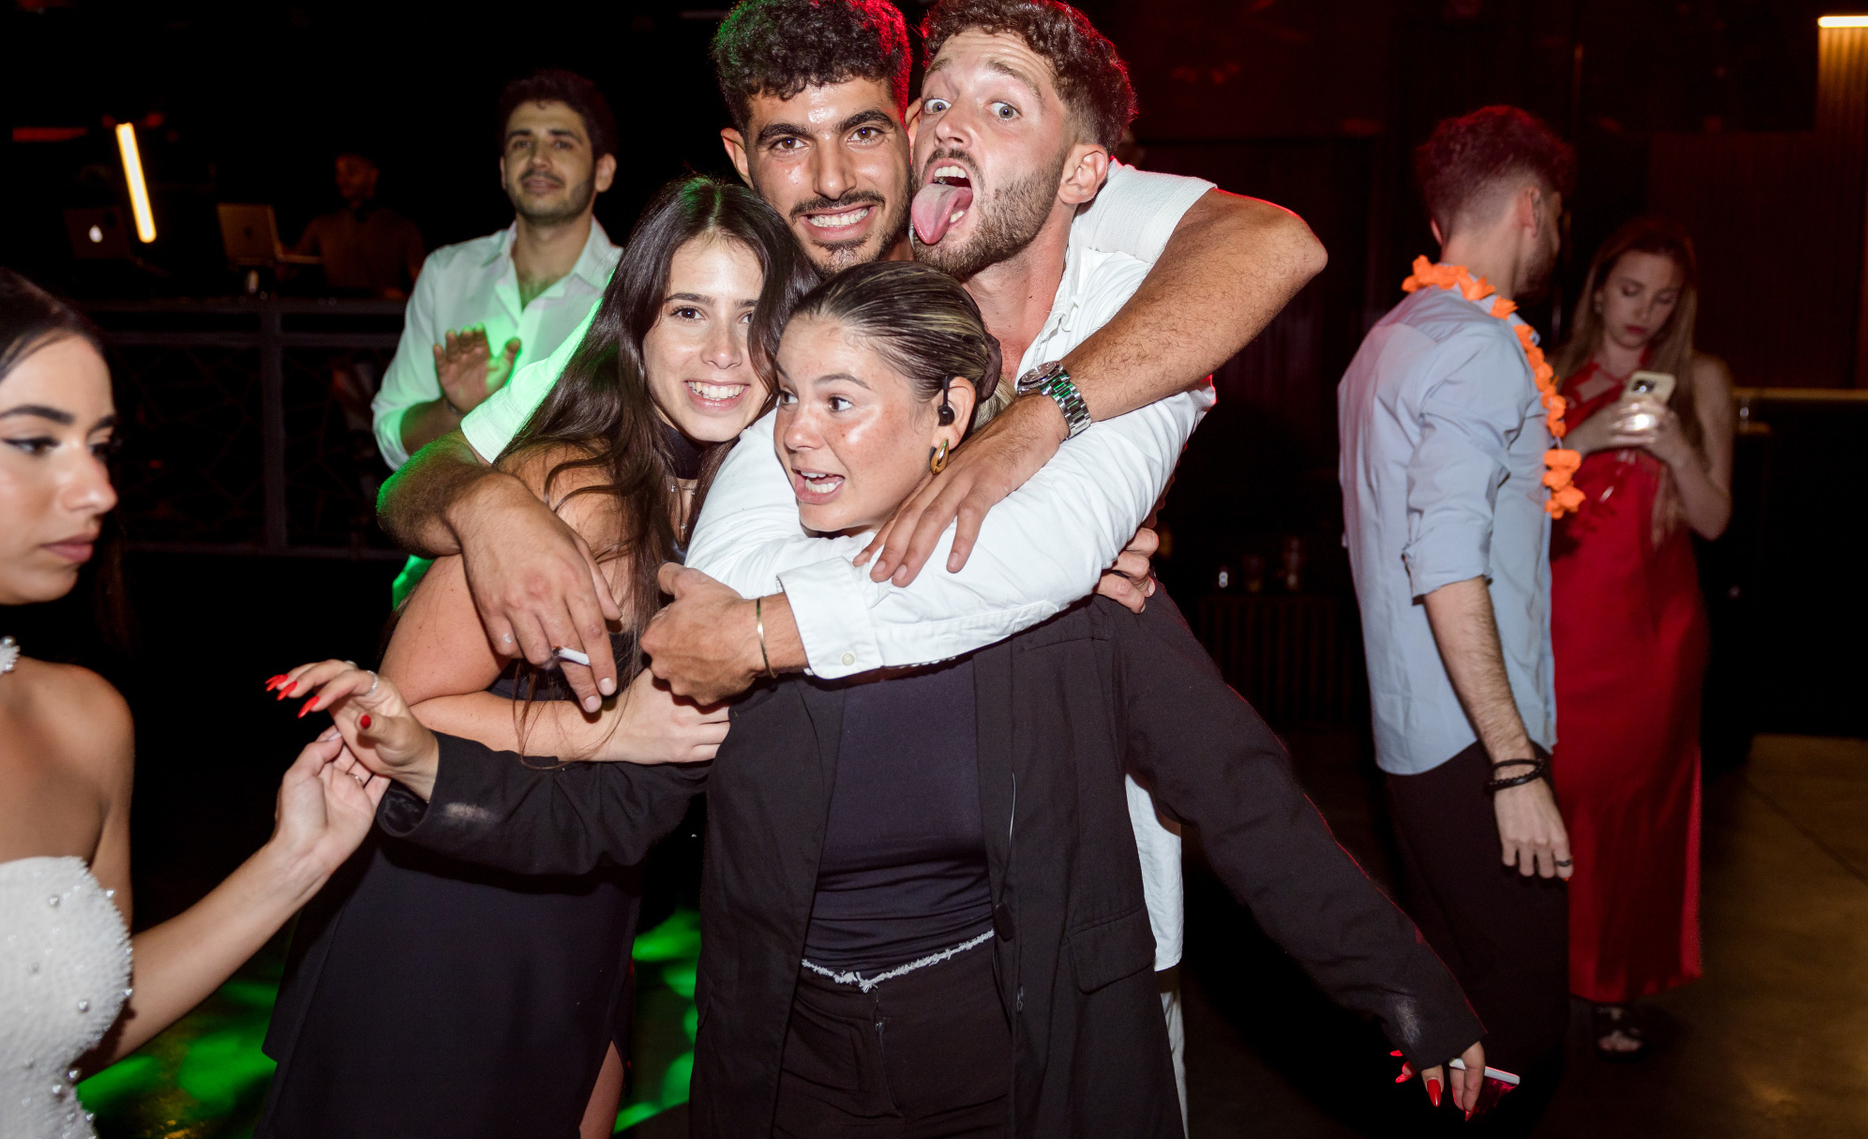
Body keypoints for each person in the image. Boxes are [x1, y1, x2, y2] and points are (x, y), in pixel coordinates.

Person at [376, 0, 1327, 1108]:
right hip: (713, 878)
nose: (831, 179)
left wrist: (1050, 440)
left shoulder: (999, 218)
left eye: (865, 131)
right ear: (742, 156)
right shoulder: (705, 291)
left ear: (913, 126)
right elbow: (424, 472)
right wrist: (489, 508)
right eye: (790, 143)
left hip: (1039, 909)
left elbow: (1270, 242)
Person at [287, 260, 1493, 1137]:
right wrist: (424, 763)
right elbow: (615, 807)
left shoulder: (1066, 600)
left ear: (949, 416)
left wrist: (1409, 992)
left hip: (1013, 1062)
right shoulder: (737, 612)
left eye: (839, 400)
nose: (793, 438)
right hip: (795, 1071)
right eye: (787, 398)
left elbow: (1245, 800)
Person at [251, 178, 809, 1139]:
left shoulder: (727, 496)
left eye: (752, 317)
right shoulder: (571, 484)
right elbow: (400, 704)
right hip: (447, 915)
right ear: (636, 326)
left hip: (579, 895)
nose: (724, 351)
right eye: (688, 311)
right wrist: (605, 729)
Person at [0, 270, 379, 1139]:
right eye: (33, 442)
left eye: (100, 445)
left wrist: (298, 861)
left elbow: (76, 1026)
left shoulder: (84, 723)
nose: (99, 490)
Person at [1337, 106, 1578, 1128]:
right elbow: (1443, 563)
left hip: (1409, 734)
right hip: (1475, 740)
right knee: (1522, 1027)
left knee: (1450, 1021)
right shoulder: (1481, 348)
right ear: (1531, 206)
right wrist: (1514, 767)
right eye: (1557, 214)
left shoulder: (1390, 339)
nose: (1556, 233)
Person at [1547, 216, 1733, 1059]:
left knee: (1638, 811)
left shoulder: (1700, 378)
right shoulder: (1551, 371)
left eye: (1663, 298)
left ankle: (1617, 983)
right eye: (1629, 290)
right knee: (1557, 800)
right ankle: (1545, 973)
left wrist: (1678, 450)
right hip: (1561, 619)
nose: (1643, 312)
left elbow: (1715, 521)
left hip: (1656, 633)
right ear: (1598, 290)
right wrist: (1579, 439)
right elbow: (1502, 496)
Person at [370, 68, 623, 472]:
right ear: (504, 170)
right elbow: (391, 433)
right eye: (522, 142)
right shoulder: (447, 272)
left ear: (603, 171)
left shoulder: (632, 287)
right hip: (451, 511)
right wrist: (455, 408)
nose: (537, 159)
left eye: (561, 143)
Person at [291, 150, 426, 299]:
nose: (342, 180)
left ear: (373, 175)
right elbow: (289, 269)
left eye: (351, 172)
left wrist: (402, 300)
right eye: (339, 174)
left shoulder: (401, 226)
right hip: (334, 309)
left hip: (382, 310)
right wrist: (278, 254)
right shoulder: (322, 224)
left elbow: (422, 284)